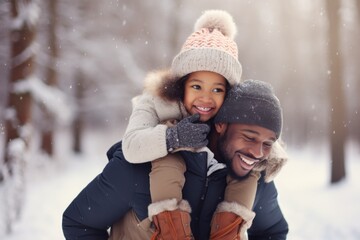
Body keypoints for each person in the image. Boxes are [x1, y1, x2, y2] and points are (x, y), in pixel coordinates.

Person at [62, 79, 288, 240]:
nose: (258, 153)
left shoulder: (255, 179)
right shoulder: (140, 166)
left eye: (268, 143)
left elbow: (272, 232)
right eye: (248, 137)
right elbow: (79, 223)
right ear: (221, 125)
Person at [119, 9, 271, 238]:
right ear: (181, 84)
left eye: (217, 89)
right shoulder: (155, 103)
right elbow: (131, 146)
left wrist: (270, 154)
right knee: (169, 162)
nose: (206, 98)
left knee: (246, 177)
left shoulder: (229, 117)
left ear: (228, 93)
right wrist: (173, 137)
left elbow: (261, 136)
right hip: (157, 196)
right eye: (197, 86)